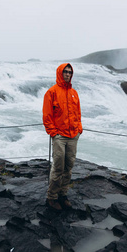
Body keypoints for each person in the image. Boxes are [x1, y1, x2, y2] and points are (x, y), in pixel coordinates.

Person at [43, 63, 83, 210]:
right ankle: (52, 197)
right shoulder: (51, 92)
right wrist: (54, 133)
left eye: (70, 72)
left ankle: (63, 194)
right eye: (65, 72)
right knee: (58, 167)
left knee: (69, 167)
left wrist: (79, 129)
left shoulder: (74, 93)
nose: (67, 74)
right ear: (60, 73)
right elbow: (47, 116)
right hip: (60, 136)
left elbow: (78, 114)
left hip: (73, 135)